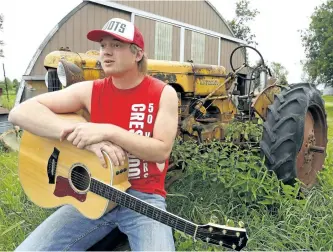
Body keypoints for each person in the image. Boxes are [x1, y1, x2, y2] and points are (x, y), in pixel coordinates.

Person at [9, 17, 178, 251]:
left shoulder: (163, 93)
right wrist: (78, 136)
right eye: (103, 46)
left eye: (116, 46)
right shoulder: (91, 90)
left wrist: (108, 132)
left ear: (137, 54)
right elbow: (20, 113)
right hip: (92, 193)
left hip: (144, 199)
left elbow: (161, 151)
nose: (106, 53)